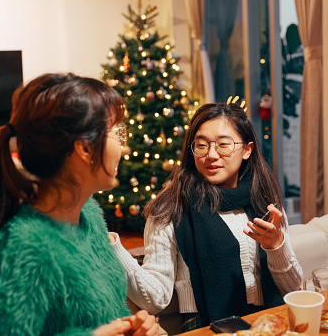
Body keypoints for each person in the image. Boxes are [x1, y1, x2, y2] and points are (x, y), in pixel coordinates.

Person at [0, 73, 159, 336]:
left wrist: (133, 328)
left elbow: (108, 314)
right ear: (85, 149)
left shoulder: (90, 216)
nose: (124, 147)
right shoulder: (24, 247)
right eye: (115, 132)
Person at [111, 101, 303, 331]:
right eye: (201, 145)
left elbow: (294, 289)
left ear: (247, 149)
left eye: (223, 144)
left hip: (269, 321)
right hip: (206, 327)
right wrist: (113, 247)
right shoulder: (171, 208)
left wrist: (276, 246)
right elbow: (155, 299)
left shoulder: (265, 201)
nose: (212, 155)